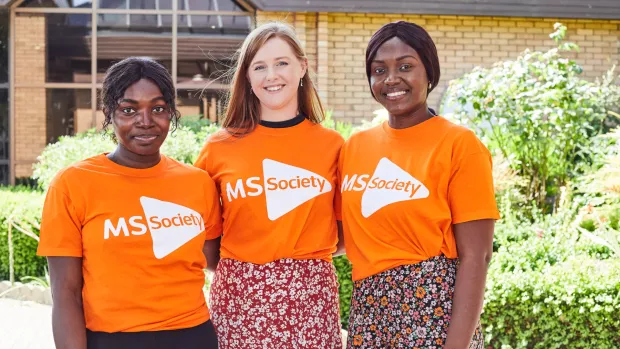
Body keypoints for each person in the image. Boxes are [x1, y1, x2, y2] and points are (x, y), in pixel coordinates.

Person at [37, 57, 222, 349]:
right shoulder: (73, 184)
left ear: (172, 113)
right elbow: (66, 294)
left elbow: (217, 261)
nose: (145, 121)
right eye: (129, 110)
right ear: (109, 114)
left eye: (158, 108)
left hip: (193, 336)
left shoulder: (198, 183)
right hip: (110, 340)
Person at [339, 21, 500, 349]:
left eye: (406, 66)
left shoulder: (459, 144)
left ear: (430, 72)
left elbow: (477, 256)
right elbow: (341, 236)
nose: (391, 79)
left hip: (433, 313)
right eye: (379, 69)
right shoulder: (355, 147)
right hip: (368, 311)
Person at [194, 22, 344, 349]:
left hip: (310, 299)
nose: (271, 75)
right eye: (259, 66)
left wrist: (300, 266)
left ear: (302, 67)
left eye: (282, 63)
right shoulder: (218, 148)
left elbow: (346, 232)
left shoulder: (332, 146)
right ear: (247, 77)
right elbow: (203, 237)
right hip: (237, 297)